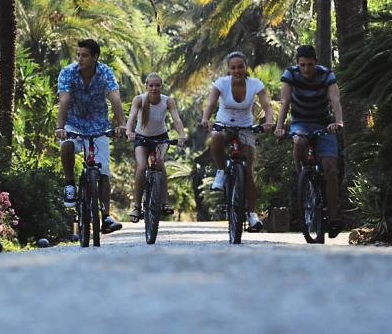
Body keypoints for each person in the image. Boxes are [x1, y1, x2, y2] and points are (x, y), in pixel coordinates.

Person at [56, 38, 126, 234]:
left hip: (99, 124)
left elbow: (115, 98)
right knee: (67, 144)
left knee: (103, 171)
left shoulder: (105, 72)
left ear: (95, 57)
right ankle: (69, 184)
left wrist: (121, 124)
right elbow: (64, 100)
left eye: (85, 56)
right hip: (74, 122)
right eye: (78, 55)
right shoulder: (68, 72)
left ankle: (106, 216)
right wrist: (60, 127)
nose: (80, 59)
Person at [274, 44, 345, 238]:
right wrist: (280, 127)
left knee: (330, 168)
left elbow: (335, 100)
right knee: (300, 142)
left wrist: (338, 122)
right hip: (300, 123)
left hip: (324, 124)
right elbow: (285, 102)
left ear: (316, 62)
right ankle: (303, 177)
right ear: (298, 64)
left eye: (310, 65)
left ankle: (333, 217)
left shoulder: (326, 75)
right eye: (302, 65)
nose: (306, 69)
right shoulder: (291, 75)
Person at [200, 51, 274, 232]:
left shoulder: (255, 84)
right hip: (224, 125)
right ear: (229, 69)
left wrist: (269, 121)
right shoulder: (221, 84)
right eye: (233, 67)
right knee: (216, 137)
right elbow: (211, 103)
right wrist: (206, 119)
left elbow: (267, 105)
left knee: (247, 171)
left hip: (246, 127)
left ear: (246, 66)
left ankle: (251, 214)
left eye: (240, 66)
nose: (237, 70)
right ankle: (221, 171)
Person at [125, 72, 186, 223]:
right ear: (146, 86)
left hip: (160, 138)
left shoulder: (168, 101)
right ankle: (137, 206)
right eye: (151, 85)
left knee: (159, 164)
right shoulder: (139, 99)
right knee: (141, 167)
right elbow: (132, 117)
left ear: (161, 86)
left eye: (157, 85)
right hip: (141, 138)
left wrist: (181, 134)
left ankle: (164, 203)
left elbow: (176, 119)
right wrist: (129, 131)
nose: (154, 88)